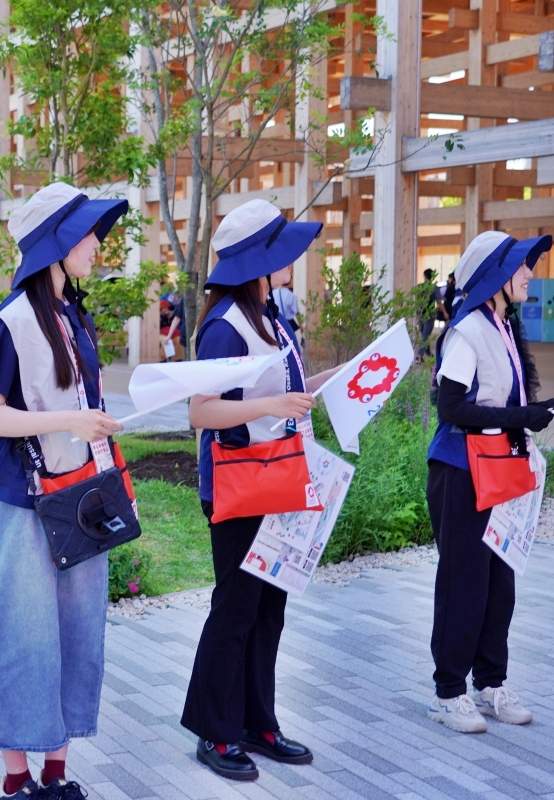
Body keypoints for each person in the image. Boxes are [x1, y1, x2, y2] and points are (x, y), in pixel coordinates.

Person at [0, 182, 128, 799]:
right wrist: (69, 420)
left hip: (81, 490)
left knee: (75, 628)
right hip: (25, 497)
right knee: (22, 631)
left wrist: (91, 423)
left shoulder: (72, 314)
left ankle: (57, 773)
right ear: (57, 242)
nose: (97, 245)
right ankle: (17, 780)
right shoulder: (13, 318)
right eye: (87, 234)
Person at [184, 199, 343, 781]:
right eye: (281, 249)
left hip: (277, 477)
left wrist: (340, 376)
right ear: (257, 259)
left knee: (267, 610)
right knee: (236, 609)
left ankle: (258, 723)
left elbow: (286, 391)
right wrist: (273, 405)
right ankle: (215, 731)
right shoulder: (225, 325)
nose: (291, 258)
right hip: (240, 485)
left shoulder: (269, 316)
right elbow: (202, 411)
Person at [425, 231, 554, 734]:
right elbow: (451, 408)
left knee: (499, 583)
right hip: (461, 472)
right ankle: (449, 692)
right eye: (521, 265)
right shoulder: (468, 329)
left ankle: (490, 684)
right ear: (494, 275)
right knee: (464, 584)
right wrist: (523, 416)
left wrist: (545, 410)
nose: (531, 273)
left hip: (498, 468)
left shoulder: (502, 324)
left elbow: (503, 404)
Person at [419, 268, 439, 353]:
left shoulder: (419, 287)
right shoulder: (434, 287)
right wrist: (444, 312)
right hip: (429, 314)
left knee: (424, 335)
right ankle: (419, 355)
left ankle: (427, 353)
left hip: (420, 313)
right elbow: (439, 301)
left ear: (424, 276)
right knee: (425, 336)